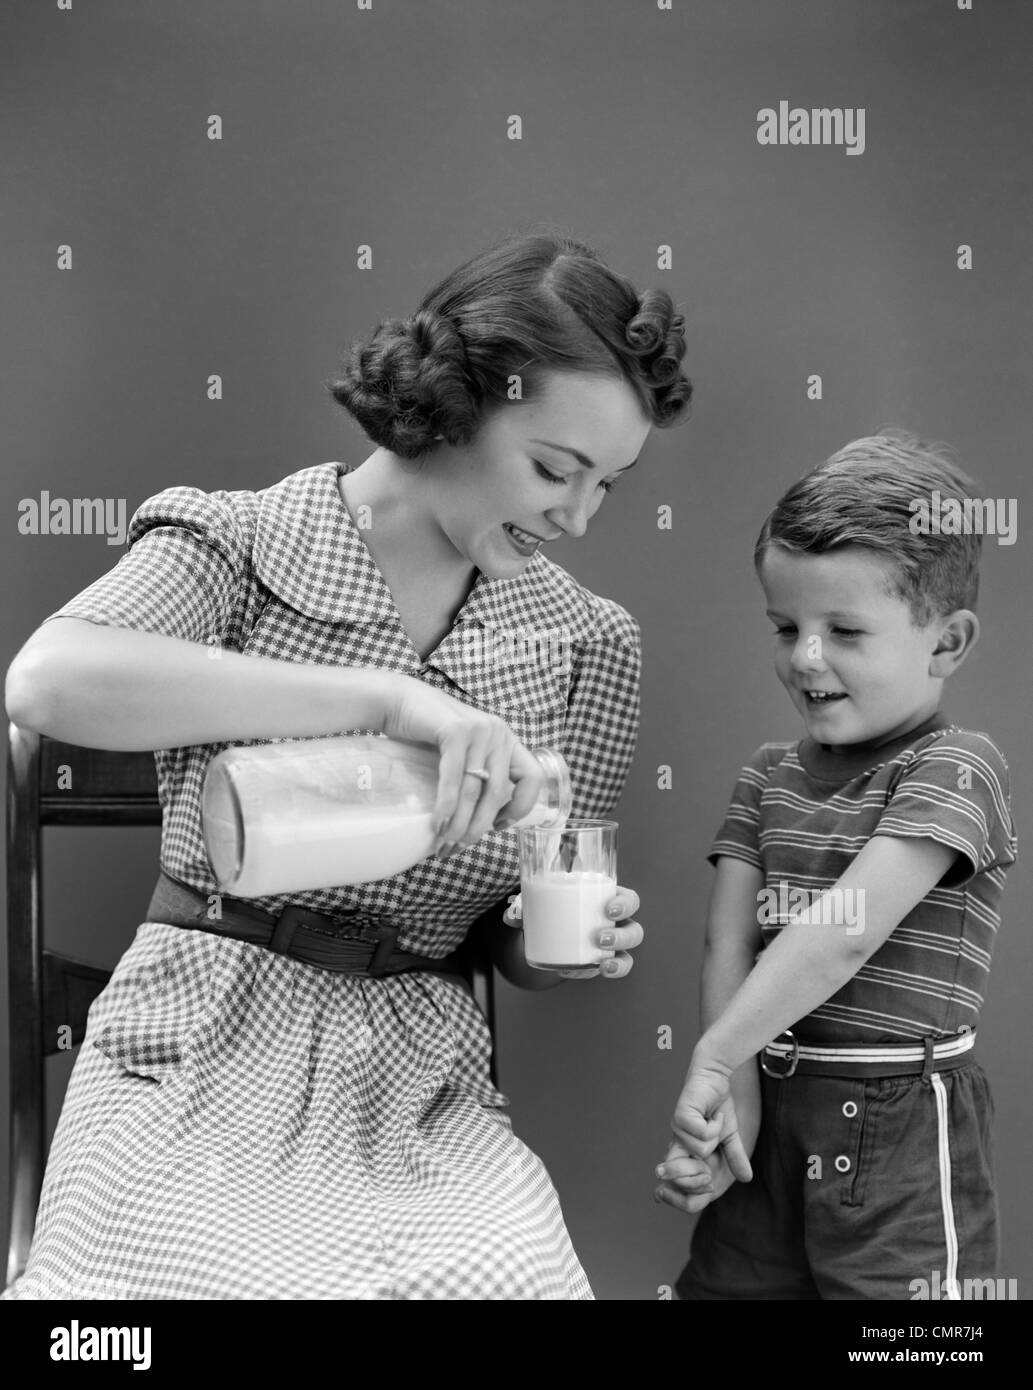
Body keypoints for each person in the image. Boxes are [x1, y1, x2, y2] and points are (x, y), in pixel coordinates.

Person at [2, 233, 691, 1301]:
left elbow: (527, 922)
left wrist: (566, 943)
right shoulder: (239, 544)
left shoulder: (586, 642)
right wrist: (384, 702)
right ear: (455, 403)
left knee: (516, 1279)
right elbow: (49, 682)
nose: (578, 514)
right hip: (195, 1043)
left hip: (415, 1083)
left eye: (607, 482)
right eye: (555, 467)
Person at [656, 431, 1017, 1301]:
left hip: (898, 1123)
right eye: (786, 627)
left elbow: (839, 937)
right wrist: (729, 1091)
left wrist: (712, 1053)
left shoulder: (956, 767)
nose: (805, 657)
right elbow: (726, 945)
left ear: (946, 643)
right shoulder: (765, 777)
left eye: (844, 631)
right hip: (773, 1103)